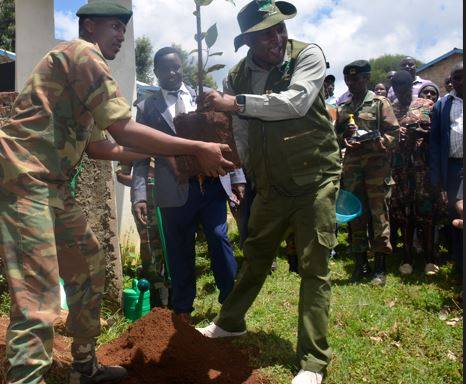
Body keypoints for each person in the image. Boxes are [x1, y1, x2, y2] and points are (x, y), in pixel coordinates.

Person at [0, 2, 235, 383]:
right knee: (37, 292)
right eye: (114, 27)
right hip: (24, 180)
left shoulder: (81, 73)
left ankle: (83, 367)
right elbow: (124, 129)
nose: (121, 35)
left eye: (124, 30)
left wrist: (160, 155)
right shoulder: (83, 55)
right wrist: (191, 147)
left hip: (52, 186)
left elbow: (101, 147)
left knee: (90, 266)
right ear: (89, 26)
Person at [196, 2, 342, 383]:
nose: (277, 39)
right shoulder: (238, 74)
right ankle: (230, 322)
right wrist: (238, 166)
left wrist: (235, 102)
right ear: (247, 41)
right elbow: (240, 131)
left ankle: (312, 363)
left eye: (279, 29)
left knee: (314, 269)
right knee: (255, 255)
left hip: (315, 181)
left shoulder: (307, 55)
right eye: (265, 34)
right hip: (272, 186)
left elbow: (296, 102)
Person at [131, 47, 245, 322]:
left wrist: (237, 177)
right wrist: (139, 194)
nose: (173, 73)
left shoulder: (205, 95)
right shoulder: (147, 108)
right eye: (165, 68)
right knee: (179, 249)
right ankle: (182, 309)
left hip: (211, 185)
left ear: (183, 68)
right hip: (173, 190)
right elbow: (140, 153)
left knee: (219, 239)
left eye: (177, 67)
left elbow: (226, 136)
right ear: (155, 73)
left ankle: (231, 304)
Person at [335, 60, 399, 286]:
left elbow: (394, 132)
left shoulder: (380, 103)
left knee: (379, 215)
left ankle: (380, 268)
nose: (352, 83)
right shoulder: (343, 107)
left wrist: (377, 140)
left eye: (357, 78)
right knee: (356, 216)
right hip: (352, 169)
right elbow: (337, 138)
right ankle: (360, 265)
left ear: (366, 78)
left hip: (376, 168)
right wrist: (345, 138)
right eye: (348, 79)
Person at [390, 70, 439, 275]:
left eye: (404, 88)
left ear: (410, 87)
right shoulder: (389, 109)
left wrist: (423, 133)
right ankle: (407, 258)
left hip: (421, 168)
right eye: (397, 89)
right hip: (400, 170)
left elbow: (437, 132)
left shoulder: (425, 105)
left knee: (426, 213)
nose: (401, 92)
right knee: (404, 214)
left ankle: (429, 258)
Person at [115, 161, 165, 308]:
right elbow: (121, 176)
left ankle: (173, 295)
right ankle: (155, 297)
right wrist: (144, 182)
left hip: (169, 201)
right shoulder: (131, 145)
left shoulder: (169, 139)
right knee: (149, 247)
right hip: (144, 206)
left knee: (170, 246)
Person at [430, 63, 463, 277]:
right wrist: (438, 179)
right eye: (457, 78)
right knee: (458, 218)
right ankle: (460, 267)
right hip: (453, 168)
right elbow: (435, 144)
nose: (461, 82)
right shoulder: (442, 105)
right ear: (451, 80)